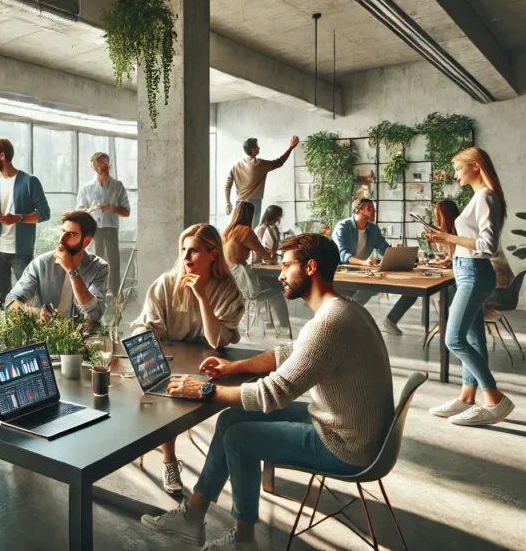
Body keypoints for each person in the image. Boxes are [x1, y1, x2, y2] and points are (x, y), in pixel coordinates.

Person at [140, 234, 394, 551]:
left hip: (348, 445)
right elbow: (291, 353)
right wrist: (235, 368)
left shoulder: (330, 322)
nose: (281, 274)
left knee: (239, 439)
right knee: (231, 420)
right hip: (350, 426)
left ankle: (243, 542)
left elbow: (272, 395)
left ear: (311, 268)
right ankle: (193, 517)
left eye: (287, 266)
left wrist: (204, 389)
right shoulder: (343, 308)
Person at [132, 223, 245, 494]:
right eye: (183, 250)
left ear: (213, 254)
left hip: (210, 363)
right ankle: (169, 459)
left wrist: (202, 298)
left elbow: (216, 340)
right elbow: (143, 328)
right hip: (171, 359)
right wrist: (153, 350)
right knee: (167, 394)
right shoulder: (166, 283)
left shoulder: (227, 289)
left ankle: (234, 470)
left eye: (194, 251)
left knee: (237, 407)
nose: (185, 257)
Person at [424, 147, 515, 426]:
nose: (455, 174)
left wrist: (448, 238)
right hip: (467, 272)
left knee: (454, 339)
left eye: (458, 168)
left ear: (475, 166)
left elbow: (487, 247)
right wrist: (446, 238)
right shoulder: (479, 197)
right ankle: (466, 397)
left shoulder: (486, 197)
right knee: (474, 338)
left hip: (474, 273)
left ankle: (495, 399)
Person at [0, 137, 51, 307]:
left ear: (2, 156)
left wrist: (18, 218)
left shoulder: (29, 181)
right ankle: (8, 332)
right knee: (4, 298)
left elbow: (44, 213)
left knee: (28, 298)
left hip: (21, 251)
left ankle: (32, 331)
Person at [332, 197, 417, 336]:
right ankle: (344, 320)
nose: (374, 211)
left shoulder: (373, 229)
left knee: (412, 289)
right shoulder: (343, 226)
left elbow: (384, 248)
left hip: (362, 271)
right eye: (369, 208)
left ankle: (391, 320)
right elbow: (342, 255)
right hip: (341, 272)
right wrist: (365, 263)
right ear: (358, 210)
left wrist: (399, 256)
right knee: (371, 287)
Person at [6, 211, 108, 323]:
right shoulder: (41, 264)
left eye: (71, 234)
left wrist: (72, 271)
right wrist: (37, 313)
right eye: (63, 231)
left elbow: (94, 314)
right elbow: (11, 302)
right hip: (48, 335)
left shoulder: (99, 268)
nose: (62, 239)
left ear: (85, 241)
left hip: (84, 335)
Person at [223, 201, 291, 334]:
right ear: (251, 215)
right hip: (246, 284)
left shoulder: (227, 232)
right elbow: (267, 257)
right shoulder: (246, 232)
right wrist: (275, 244)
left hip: (233, 282)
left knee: (268, 284)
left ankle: (268, 322)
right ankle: (284, 327)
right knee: (278, 287)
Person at [76, 151, 130, 295]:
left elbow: (127, 212)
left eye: (106, 162)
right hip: (94, 230)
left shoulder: (117, 185)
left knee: (113, 263)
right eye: (100, 163)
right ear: (94, 165)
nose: (104, 165)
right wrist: (92, 209)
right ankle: (94, 294)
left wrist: (113, 208)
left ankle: (116, 296)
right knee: (94, 261)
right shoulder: (86, 187)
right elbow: (79, 212)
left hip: (111, 229)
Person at [224, 136, 299, 225]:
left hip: (239, 202)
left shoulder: (236, 165)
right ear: (253, 150)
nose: (259, 148)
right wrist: (291, 147)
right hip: (254, 202)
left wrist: (228, 203)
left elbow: (227, 185)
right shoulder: (258, 164)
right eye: (257, 146)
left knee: (239, 229)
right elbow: (279, 162)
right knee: (253, 229)